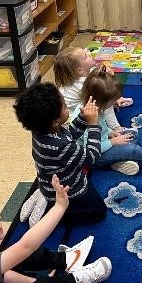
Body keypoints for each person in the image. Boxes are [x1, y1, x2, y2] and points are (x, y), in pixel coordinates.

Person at [13, 82, 107, 226]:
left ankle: (45, 195)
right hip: (68, 191)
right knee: (99, 211)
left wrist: (82, 118)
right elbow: (92, 157)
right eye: (64, 106)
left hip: (50, 180)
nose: (67, 107)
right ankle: (52, 212)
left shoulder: (41, 130)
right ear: (55, 121)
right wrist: (93, 125)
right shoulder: (61, 146)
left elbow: (68, 135)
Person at [53, 46, 133, 123]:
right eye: (86, 56)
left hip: (81, 108)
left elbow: (95, 71)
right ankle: (115, 128)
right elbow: (102, 102)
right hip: (75, 119)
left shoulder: (84, 74)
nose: (89, 53)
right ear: (80, 70)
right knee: (104, 98)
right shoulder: (83, 83)